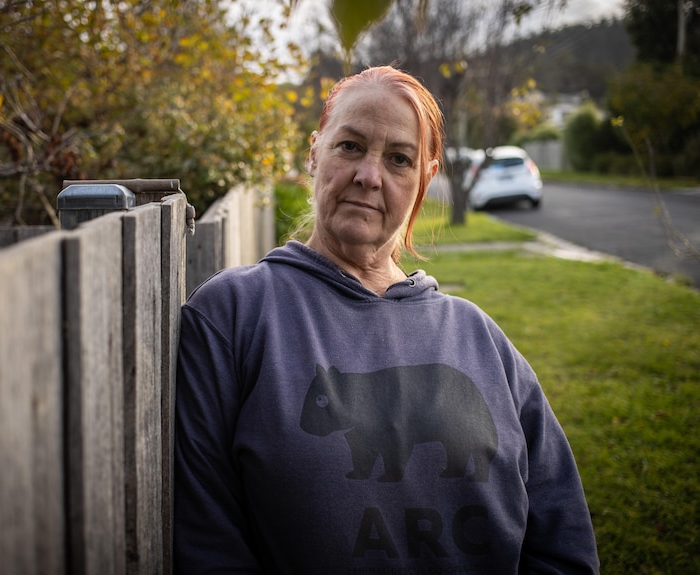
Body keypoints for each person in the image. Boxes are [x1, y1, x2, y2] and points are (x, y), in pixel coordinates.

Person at [174, 65, 599, 574]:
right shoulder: (233, 317)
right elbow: (206, 546)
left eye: (398, 159)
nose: (368, 176)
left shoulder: (479, 338)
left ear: (425, 178)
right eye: (350, 147)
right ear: (314, 152)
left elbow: (562, 543)